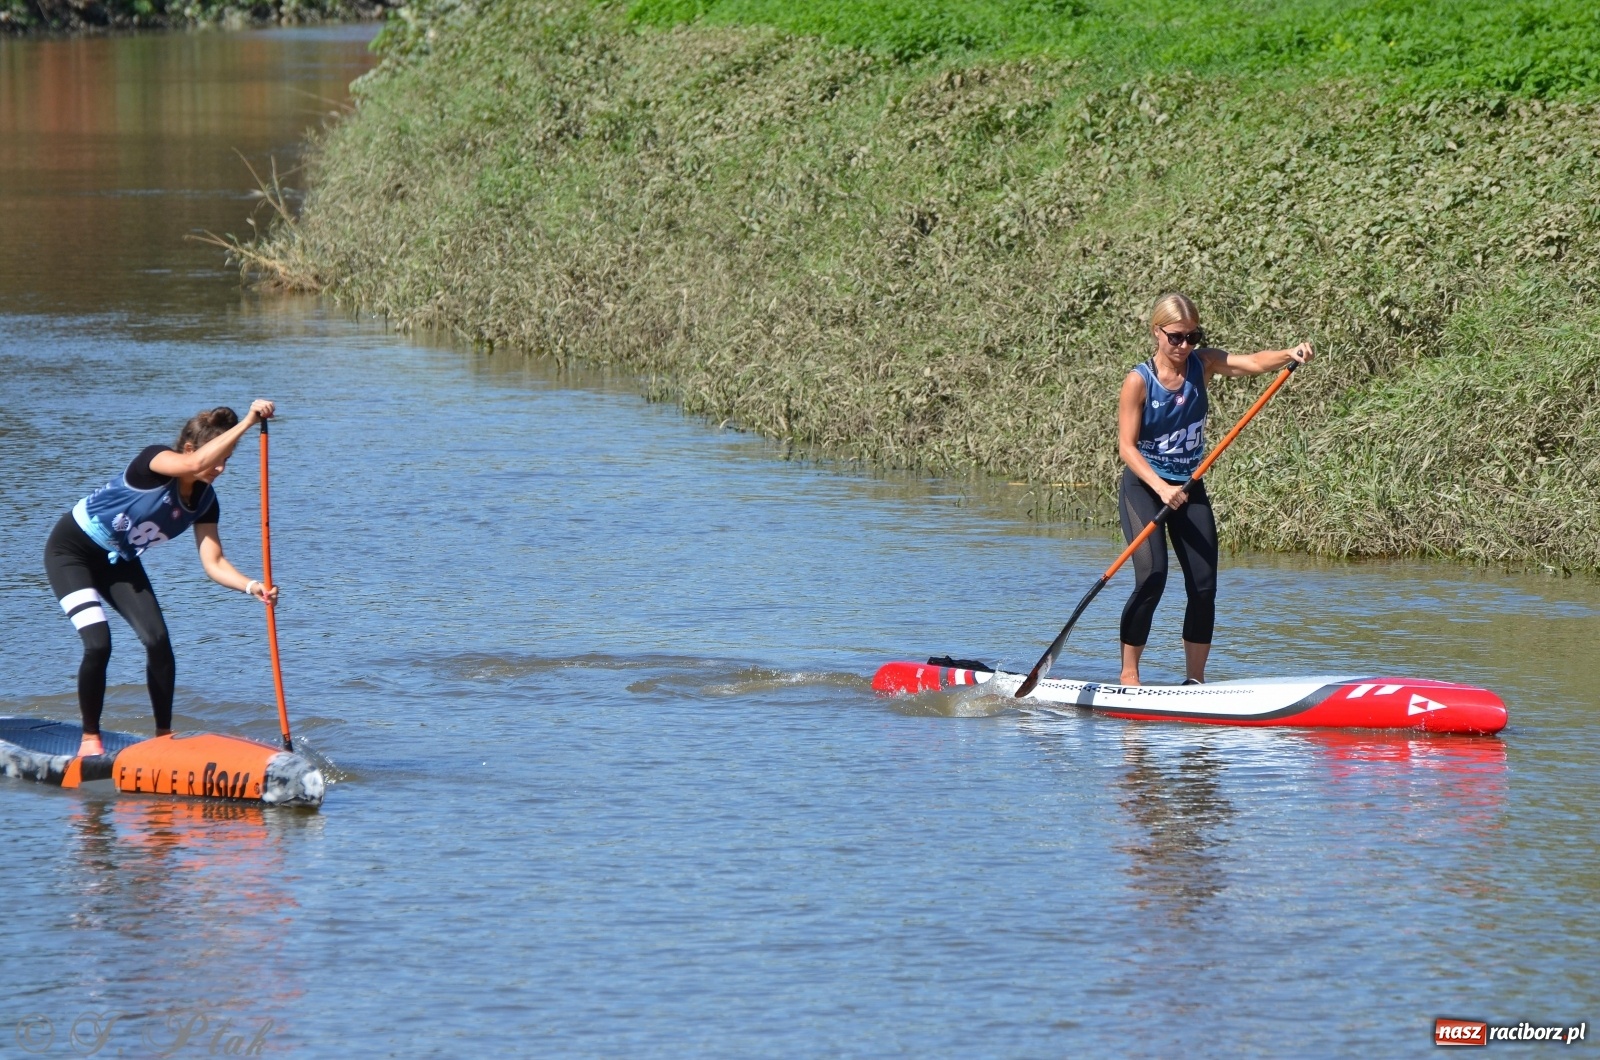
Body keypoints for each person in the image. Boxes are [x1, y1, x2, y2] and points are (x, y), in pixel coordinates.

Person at [44, 401, 280, 757]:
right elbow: (196, 464)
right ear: (189, 448)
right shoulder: (154, 461)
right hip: (71, 551)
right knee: (99, 643)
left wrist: (251, 585)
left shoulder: (205, 501)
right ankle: (90, 740)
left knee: (158, 641)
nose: (220, 468)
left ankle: (162, 739)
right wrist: (249, 421)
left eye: (227, 460)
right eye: (218, 457)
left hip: (117, 560)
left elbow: (213, 561)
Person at [1116, 294, 1312, 686]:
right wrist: (1160, 485)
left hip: (1189, 487)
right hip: (1144, 487)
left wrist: (1289, 353)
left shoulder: (1202, 364)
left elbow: (1253, 362)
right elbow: (1127, 448)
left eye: (1193, 336)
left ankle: (1195, 683)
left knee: (1204, 587)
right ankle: (1129, 674)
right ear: (1157, 333)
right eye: (1176, 338)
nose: (1185, 346)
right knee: (1153, 576)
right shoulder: (1138, 382)